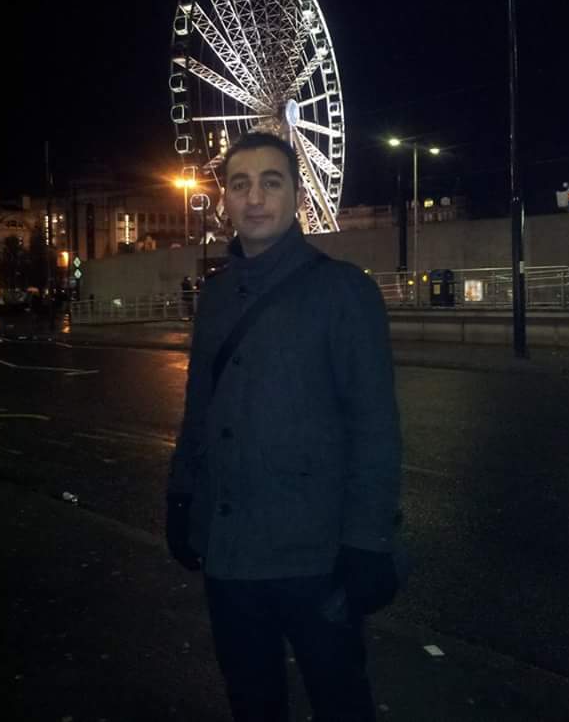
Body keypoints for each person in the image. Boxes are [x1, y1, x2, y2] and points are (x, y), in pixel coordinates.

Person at [166, 132, 404, 722]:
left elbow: (374, 427)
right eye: (240, 184)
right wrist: (182, 498)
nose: (254, 198)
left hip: (315, 558)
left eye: (270, 183)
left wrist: (368, 541)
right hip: (228, 553)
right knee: (250, 699)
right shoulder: (216, 296)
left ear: (298, 195)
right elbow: (200, 411)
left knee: (340, 700)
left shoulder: (344, 291)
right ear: (225, 198)